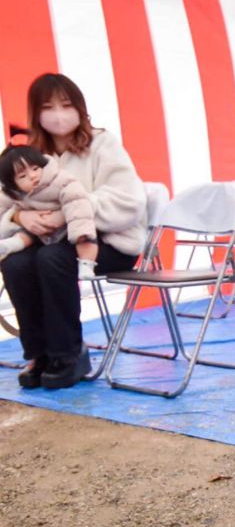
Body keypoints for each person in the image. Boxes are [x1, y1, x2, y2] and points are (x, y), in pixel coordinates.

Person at [0, 73, 147, 390]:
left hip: (110, 243)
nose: (58, 114)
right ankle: (39, 355)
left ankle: (68, 354)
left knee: (52, 259)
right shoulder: (30, 156)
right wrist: (20, 218)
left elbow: (130, 202)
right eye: (47, 106)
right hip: (52, 243)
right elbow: (5, 203)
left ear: (80, 108)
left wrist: (66, 215)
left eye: (66, 105)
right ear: (36, 114)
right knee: (16, 263)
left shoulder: (102, 143)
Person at [0, 145, 99, 279]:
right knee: (25, 235)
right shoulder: (16, 193)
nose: (32, 176)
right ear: (13, 184)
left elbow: (77, 203)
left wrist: (77, 228)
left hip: (69, 228)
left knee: (84, 238)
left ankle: (87, 264)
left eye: (35, 169)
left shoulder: (61, 180)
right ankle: (12, 244)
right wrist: (17, 216)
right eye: (22, 176)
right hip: (39, 233)